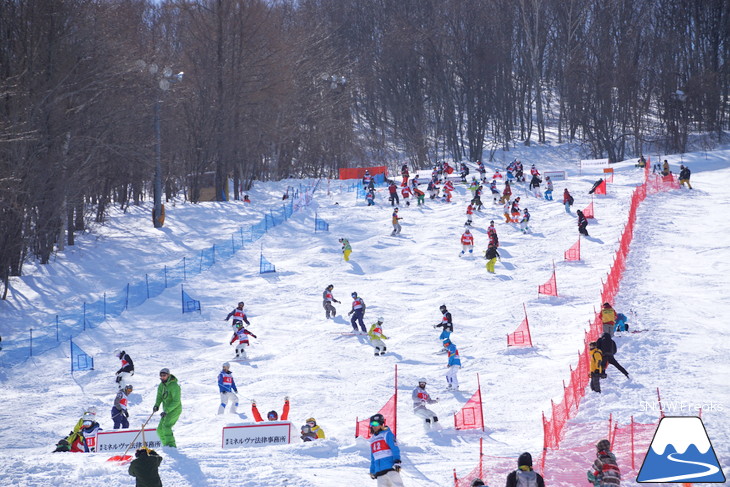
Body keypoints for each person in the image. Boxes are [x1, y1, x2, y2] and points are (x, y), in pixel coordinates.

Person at [368, 413, 404, 486]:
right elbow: (373, 456)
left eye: (375, 424)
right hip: (380, 472)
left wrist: (397, 461)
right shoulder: (372, 439)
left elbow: (395, 448)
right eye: (372, 424)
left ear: (381, 424)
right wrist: (372, 470)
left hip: (390, 468)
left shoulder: (387, 434)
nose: (373, 426)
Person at [153, 368, 182, 448]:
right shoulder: (161, 385)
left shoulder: (174, 386)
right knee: (159, 429)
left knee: (166, 426)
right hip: (166, 410)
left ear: (168, 375)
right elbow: (159, 397)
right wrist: (156, 405)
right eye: (161, 375)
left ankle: (171, 446)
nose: (162, 377)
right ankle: (165, 445)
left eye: (164, 375)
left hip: (175, 409)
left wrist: (167, 410)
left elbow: (176, 401)